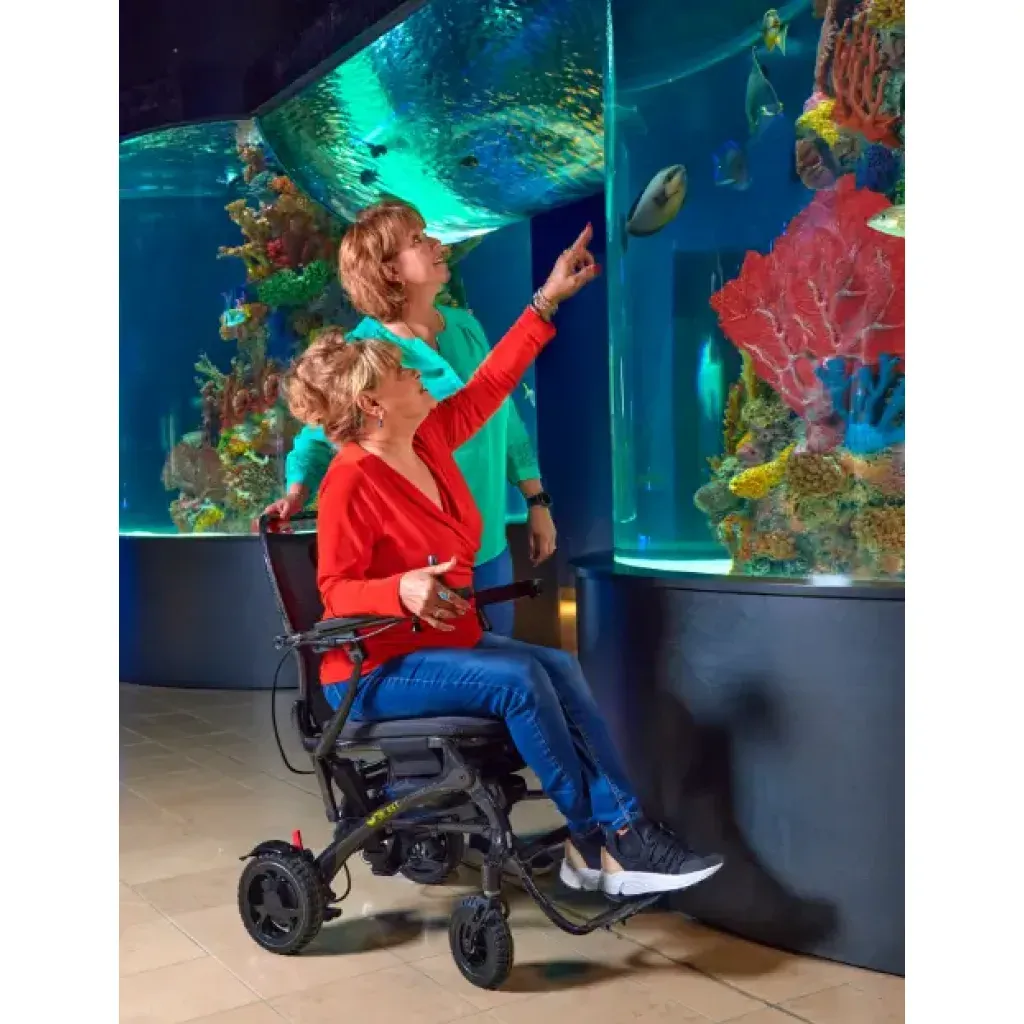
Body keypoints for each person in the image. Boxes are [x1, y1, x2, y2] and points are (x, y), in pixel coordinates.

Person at [283, 225, 724, 897]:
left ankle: (620, 836)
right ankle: (596, 838)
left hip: (434, 645)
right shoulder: (350, 478)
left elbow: (491, 387)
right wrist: (398, 589)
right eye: (407, 374)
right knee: (520, 677)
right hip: (373, 670)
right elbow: (336, 591)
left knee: (554, 662)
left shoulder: (428, 438)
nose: (420, 376)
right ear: (372, 405)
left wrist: (546, 300)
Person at [264, 199, 555, 638]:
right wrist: (296, 492)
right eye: (418, 240)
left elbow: (502, 408)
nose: (437, 243)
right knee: (479, 675)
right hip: (429, 560)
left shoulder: (464, 326)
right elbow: (320, 433)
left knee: (503, 665)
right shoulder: (368, 357)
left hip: (490, 536)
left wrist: (536, 501)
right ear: (390, 271)